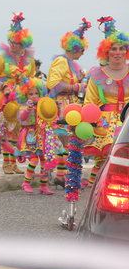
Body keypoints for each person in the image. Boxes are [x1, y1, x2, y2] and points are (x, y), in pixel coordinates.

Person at [83, 16, 129, 186]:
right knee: (101, 162)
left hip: (127, 122)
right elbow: (90, 103)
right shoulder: (97, 75)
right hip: (105, 124)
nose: (118, 52)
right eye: (113, 49)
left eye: (121, 48)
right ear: (106, 52)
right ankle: (97, 193)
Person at [0, 12, 36, 174]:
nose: (13, 45)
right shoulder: (2, 57)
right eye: (11, 42)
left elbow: (32, 77)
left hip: (23, 96)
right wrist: (3, 86)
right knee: (7, 130)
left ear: (23, 44)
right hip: (7, 96)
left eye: (16, 43)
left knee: (18, 130)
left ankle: (14, 162)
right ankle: (6, 163)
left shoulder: (29, 59)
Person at [46, 18, 91, 188]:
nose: (83, 54)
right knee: (65, 141)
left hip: (68, 105)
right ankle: (62, 175)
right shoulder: (62, 61)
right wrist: (77, 86)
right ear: (77, 49)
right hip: (61, 105)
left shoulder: (69, 63)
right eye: (83, 51)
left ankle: (62, 176)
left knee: (66, 142)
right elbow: (53, 83)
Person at [16, 78, 61, 195]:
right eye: (30, 94)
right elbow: (22, 118)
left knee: (44, 161)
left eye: (36, 93)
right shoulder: (23, 106)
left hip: (42, 135)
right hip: (30, 135)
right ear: (25, 95)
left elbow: (52, 118)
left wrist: (58, 108)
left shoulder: (41, 105)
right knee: (34, 159)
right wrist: (28, 108)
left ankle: (43, 185)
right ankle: (26, 182)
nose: (34, 96)